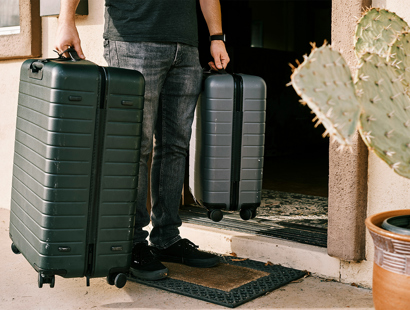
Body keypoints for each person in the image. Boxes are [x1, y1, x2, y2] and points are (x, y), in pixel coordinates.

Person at [56, 0, 230, 281]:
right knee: (135, 147)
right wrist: (66, 20)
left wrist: (216, 37)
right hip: (132, 40)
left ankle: (167, 237)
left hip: (185, 47)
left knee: (175, 147)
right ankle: (130, 243)